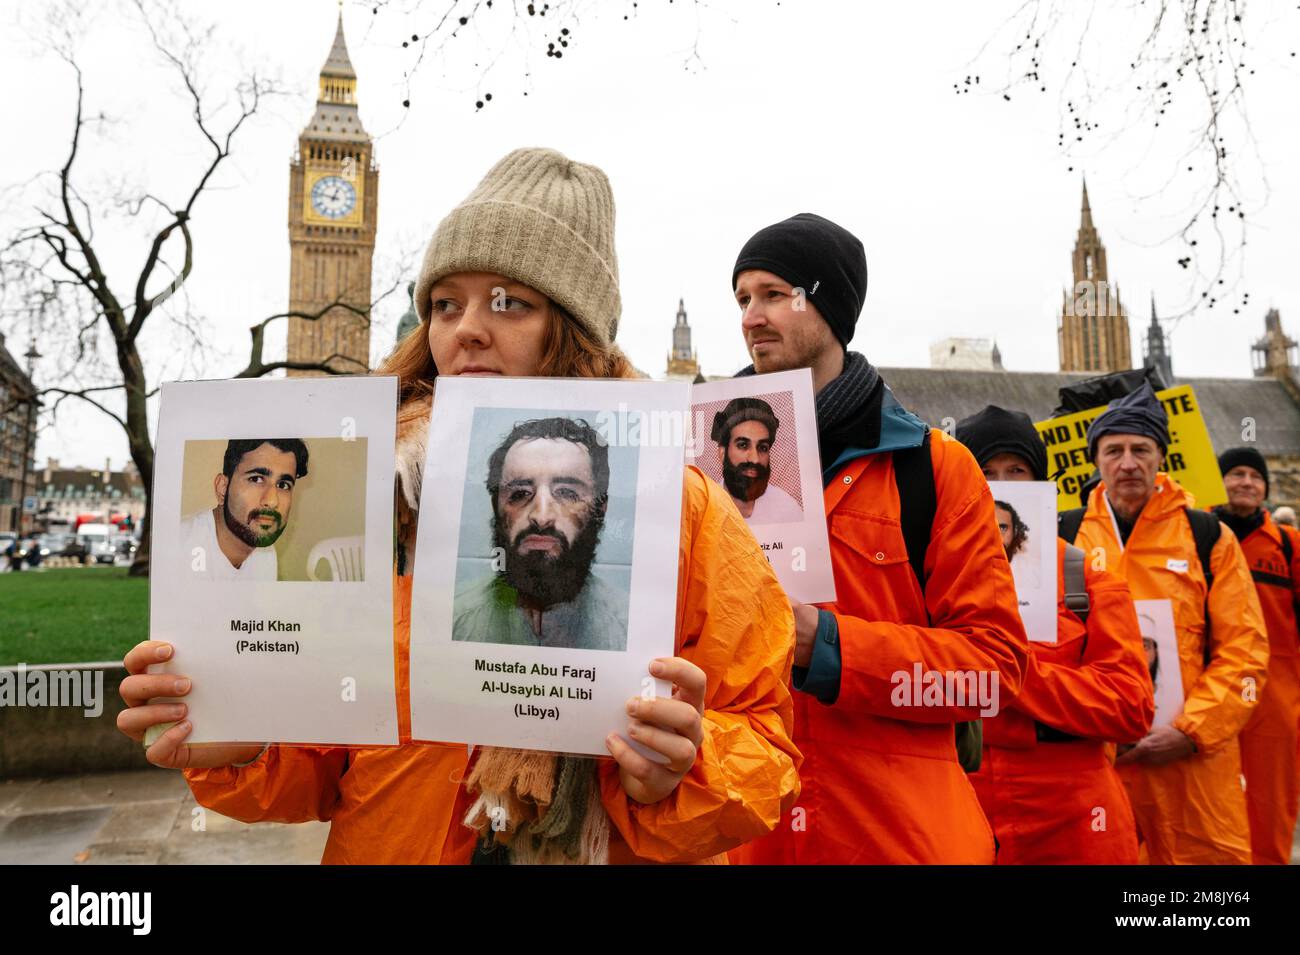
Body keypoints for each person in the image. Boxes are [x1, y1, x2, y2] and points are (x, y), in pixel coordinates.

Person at [117, 147, 800, 865]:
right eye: (447, 303)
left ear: (571, 328)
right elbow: (325, 767)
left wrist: (681, 767)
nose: (466, 327)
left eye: (508, 301)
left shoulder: (686, 511)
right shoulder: (377, 498)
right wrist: (242, 739)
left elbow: (765, 743)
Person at [726, 213, 1030, 864]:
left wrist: (829, 646)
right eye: (743, 297)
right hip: (747, 836)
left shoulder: (935, 468)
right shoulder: (709, 465)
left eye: (776, 294)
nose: (752, 315)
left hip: (898, 839)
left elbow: (992, 676)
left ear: (829, 306)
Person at [1064, 383, 1268, 864]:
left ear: (1161, 458)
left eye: (1141, 449)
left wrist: (1192, 731)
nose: (1128, 462)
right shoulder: (1066, 536)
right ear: (1097, 461)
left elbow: (1246, 652)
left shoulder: (1207, 536)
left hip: (1193, 765)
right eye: (1114, 450)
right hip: (1095, 760)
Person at [955, 404, 1152, 864]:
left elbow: (1131, 707)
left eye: (1016, 470)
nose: (1001, 483)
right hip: (965, 803)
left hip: (1076, 818)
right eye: (984, 471)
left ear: (1041, 483)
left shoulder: (1089, 579)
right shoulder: (932, 578)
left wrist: (1011, 670)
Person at [453, 416, 629, 651]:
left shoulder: (633, 631)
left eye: (567, 493)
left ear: (600, 508)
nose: (542, 516)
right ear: (496, 504)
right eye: (520, 493)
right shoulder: (453, 620)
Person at [1211, 447, 1300, 865]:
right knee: (1204, 807)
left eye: (1255, 476)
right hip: (1208, 692)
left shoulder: (1288, 545)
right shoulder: (1200, 534)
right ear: (1218, 480)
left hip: (1275, 701)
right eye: (1236, 474)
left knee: (1270, 808)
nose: (1246, 482)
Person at [178, 439, 308, 581]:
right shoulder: (179, 545)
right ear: (223, 488)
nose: (272, 501)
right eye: (256, 479)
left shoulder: (266, 554)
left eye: (283, 485)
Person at [710, 397, 802, 523]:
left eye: (762, 448)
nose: (755, 459)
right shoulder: (704, 509)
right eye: (743, 445)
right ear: (722, 453)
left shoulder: (788, 510)